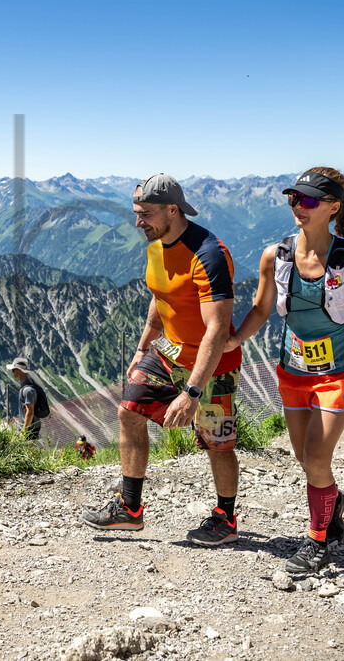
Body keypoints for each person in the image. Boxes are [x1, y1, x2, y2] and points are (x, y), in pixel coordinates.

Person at [225, 167, 344, 574]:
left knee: (315, 456)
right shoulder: (275, 255)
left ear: (333, 208)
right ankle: (333, 502)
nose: (298, 206)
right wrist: (235, 339)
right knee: (304, 458)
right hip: (292, 370)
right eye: (294, 198)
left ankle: (317, 541)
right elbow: (260, 308)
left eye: (308, 200)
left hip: (340, 372)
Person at [80, 173, 243, 547]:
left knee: (217, 443)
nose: (139, 223)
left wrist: (192, 392)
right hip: (168, 351)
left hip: (211, 364)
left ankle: (225, 518)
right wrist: (142, 348)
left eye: (146, 214)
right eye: (136, 213)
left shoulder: (209, 254)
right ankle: (129, 509)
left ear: (173, 210)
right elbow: (160, 295)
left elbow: (217, 331)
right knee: (129, 411)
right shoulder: (156, 242)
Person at [7, 357, 44, 439]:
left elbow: (30, 412)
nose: (12, 372)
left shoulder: (27, 390)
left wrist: (24, 432)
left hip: (30, 429)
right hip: (32, 426)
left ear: (20, 371)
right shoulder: (28, 386)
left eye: (13, 370)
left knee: (29, 449)